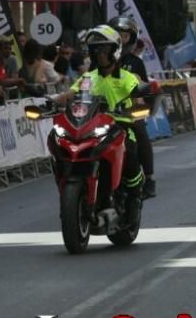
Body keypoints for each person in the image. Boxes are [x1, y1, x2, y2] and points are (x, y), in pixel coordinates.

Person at [54, 25, 147, 223]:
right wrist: (53, 102)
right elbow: (68, 95)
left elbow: (138, 100)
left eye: (105, 49)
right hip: (90, 128)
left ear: (115, 50)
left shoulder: (127, 78)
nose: (100, 54)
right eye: (96, 50)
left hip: (120, 127)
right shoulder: (88, 78)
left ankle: (134, 194)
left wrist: (134, 110)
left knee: (129, 152)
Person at [108, 16, 155, 198]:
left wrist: (137, 107)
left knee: (141, 133)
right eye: (116, 35)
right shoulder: (100, 59)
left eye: (124, 36)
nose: (120, 39)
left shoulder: (135, 62)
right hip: (103, 111)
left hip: (126, 111)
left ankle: (149, 178)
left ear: (131, 39)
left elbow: (143, 89)